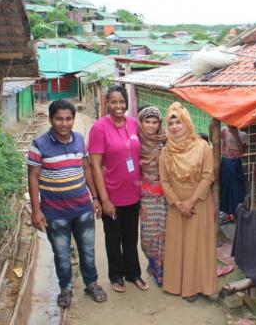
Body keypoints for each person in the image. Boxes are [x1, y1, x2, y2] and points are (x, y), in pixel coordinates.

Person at [27, 99, 107, 307]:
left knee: (87, 250)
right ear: (51, 119)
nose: (64, 123)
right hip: (55, 213)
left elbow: (87, 168)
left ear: (74, 119)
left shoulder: (80, 140)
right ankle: (66, 288)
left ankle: (91, 283)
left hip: (82, 209)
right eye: (59, 119)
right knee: (62, 254)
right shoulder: (39, 145)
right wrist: (36, 210)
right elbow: (33, 177)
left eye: (68, 119)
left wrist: (95, 197)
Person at [88, 86, 148, 293]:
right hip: (112, 195)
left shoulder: (133, 124)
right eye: (113, 102)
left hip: (133, 195)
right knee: (114, 240)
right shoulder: (99, 128)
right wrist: (103, 199)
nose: (118, 106)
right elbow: (95, 165)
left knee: (131, 239)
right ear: (107, 103)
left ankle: (134, 274)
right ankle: (116, 275)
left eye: (121, 101)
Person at [159, 102, 217, 302]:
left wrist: (190, 202)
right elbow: (164, 181)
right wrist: (177, 203)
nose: (175, 127)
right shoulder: (166, 151)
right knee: (178, 246)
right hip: (176, 206)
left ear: (187, 123)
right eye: (171, 123)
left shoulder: (202, 147)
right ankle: (178, 285)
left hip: (198, 203)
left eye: (179, 122)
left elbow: (208, 176)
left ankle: (199, 286)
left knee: (197, 245)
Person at [138, 106, 167, 287]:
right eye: (147, 121)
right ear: (141, 123)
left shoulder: (165, 141)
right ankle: (152, 264)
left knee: (164, 235)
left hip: (166, 196)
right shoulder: (135, 142)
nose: (151, 126)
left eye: (154, 122)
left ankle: (162, 272)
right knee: (148, 238)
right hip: (145, 197)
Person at [219, 125, 247, 219]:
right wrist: (212, 128)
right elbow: (212, 139)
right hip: (225, 162)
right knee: (224, 187)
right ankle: (224, 211)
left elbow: (242, 151)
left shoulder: (242, 135)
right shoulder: (223, 130)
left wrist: (235, 135)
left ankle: (236, 213)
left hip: (236, 163)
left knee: (237, 189)